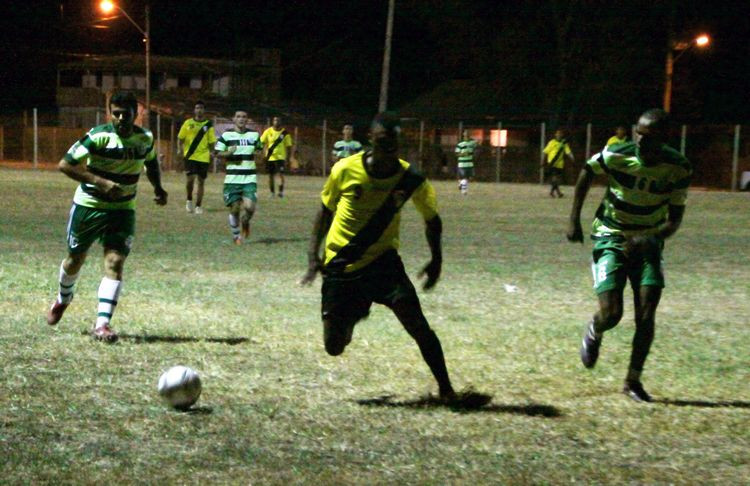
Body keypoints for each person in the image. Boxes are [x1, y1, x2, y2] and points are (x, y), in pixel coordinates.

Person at [300, 112, 491, 407]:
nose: (389, 148)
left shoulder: (410, 179)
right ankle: (355, 312)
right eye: (383, 142)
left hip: (383, 265)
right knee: (334, 347)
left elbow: (433, 220)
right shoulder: (345, 170)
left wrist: (436, 260)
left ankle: (447, 389)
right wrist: (313, 256)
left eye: (395, 143)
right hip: (341, 266)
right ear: (371, 142)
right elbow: (325, 211)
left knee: (418, 325)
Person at [566, 108, 692, 402]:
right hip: (610, 235)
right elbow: (586, 172)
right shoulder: (617, 154)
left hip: (647, 243)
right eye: (638, 132)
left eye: (647, 136)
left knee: (646, 316)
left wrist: (646, 239)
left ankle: (632, 381)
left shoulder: (678, 167)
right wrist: (574, 219)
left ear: (663, 138)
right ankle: (595, 328)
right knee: (612, 314)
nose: (639, 140)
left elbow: (674, 221)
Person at [47, 91, 168, 342]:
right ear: (110, 113)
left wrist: (158, 188)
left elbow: (151, 163)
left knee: (115, 262)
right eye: (116, 113)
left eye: (126, 114)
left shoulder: (145, 138)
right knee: (74, 260)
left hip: (123, 210)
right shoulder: (98, 136)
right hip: (89, 206)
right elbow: (65, 164)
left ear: (137, 114)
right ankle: (63, 299)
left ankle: (102, 324)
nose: (121, 118)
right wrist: (100, 182)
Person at [215, 110, 263, 245]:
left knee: (250, 207)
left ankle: (245, 221)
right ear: (233, 119)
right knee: (235, 209)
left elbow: (259, 150)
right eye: (238, 116)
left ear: (247, 120)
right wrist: (229, 153)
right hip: (232, 179)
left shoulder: (254, 135)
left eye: (244, 117)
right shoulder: (227, 135)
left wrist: (258, 155)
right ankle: (236, 236)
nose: (241, 119)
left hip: (249, 178)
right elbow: (217, 153)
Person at [178, 100, 216, 214]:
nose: (199, 110)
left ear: (204, 110)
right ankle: (189, 199)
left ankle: (198, 206)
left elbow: (211, 141)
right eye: (197, 108)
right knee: (190, 179)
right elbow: (180, 138)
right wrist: (180, 150)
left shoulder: (208, 125)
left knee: (201, 181)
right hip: (190, 156)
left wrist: (213, 152)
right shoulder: (188, 123)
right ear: (194, 110)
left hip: (203, 157)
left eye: (201, 108)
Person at [260, 116, 294, 198]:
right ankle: (272, 193)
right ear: (272, 121)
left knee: (280, 175)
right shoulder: (268, 131)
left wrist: (289, 158)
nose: (276, 121)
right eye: (275, 120)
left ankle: (281, 192)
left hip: (280, 157)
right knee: (270, 176)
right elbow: (261, 142)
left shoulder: (285, 133)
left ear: (281, 122)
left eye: (278, 120)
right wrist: (262, 154)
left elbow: (289, 146)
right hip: (270, 157)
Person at [542, 129, 574, 198]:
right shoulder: (552, 142)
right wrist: (543, 161)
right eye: (557, 134)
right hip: (552, 163)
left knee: (557, 179)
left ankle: (553, 192)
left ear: (562, 135)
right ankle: (558, 193)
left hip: (560, 164)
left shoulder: (564, 143)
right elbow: (545, 152)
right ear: (555, 135)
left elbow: (568, 152)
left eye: (560, 134)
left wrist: (572, 158)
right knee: (555, 178)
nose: (559, 135)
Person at [455, 129, 478, 195]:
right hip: (462, 164)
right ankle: (464, 190)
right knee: (464, 177)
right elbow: (457, 153)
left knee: (469, 178)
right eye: (465, 134)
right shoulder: (460, 144)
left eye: (468, 134)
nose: (467, 135)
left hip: (470, 164)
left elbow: (477, 142)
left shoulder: (472, 143)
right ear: (463, 135)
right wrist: (463, 154)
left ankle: (461, 184)